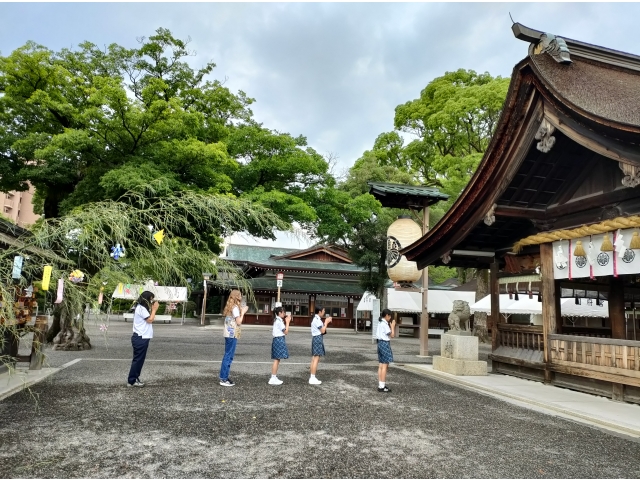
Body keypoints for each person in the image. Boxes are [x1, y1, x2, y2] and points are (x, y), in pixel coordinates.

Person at [127, 291, 159, 387]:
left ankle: (134, 378)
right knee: (138, 360)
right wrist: (154, 310)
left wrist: (152, 310)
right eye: (151, 299)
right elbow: (150, 320)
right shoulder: (141, 308)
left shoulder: (141, 308)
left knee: (139, 359)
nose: (151, 301)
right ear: (146, 299)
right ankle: (131, 381)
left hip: (142, 337)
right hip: (140, 337)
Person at [219, 289, 248, 387]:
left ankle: (224, 377)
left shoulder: (230, 307)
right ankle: (223, 378)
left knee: (227, 355)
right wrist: (243, 312)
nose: (241, 296)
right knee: (229, 356)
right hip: (232, 334)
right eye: (240, 295)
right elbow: (239, 321)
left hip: (228, 333)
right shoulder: (235, 308)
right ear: (237, 296)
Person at [309, 306, 332, 385]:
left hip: (316, 338)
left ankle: (312, 377)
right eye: (323, 311)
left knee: (314, 358)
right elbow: (322, 330)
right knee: (316, 359)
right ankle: (312, 377)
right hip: (318, 338)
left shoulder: (315, 319)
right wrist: (326, 322)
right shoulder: (317, 320)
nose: (324, 312)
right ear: (319, 311)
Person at [269, 306, 291, 385]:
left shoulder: (277, 320)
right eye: (283, 312)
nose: (284, 314)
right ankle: (273, 377)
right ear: (279, 313)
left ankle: (274, 377)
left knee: (277, 359)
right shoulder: (279, 321)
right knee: (276, 359)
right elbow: (286, 332)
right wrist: (288, 322)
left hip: (277, 340)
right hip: (279, 340)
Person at [376, 308, 395, 393]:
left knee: (380, 365)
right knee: (385, 366)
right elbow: (392, 335)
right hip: (385, 344)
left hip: (379, 343)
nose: (390, 318)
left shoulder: (380, 322)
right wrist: (392, 326)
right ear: (387, 315)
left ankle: (381, 384)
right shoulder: (385, 324)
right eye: (389, 316)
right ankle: (382, 386)